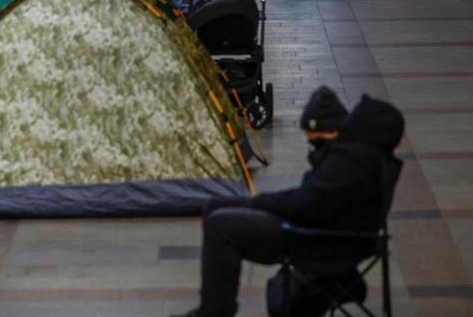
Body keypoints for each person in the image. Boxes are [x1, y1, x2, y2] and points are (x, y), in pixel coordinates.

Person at [172, 87, 405, 317]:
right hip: (322, 228)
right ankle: (213, 305)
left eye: (314, 139)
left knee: (220, 226)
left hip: (316, 239)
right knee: (215, 207)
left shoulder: (350, 161)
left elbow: (304, 203)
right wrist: (261, 203)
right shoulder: (361, 154)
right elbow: (313, 199)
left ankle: (214, 312)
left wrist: (259, 203)